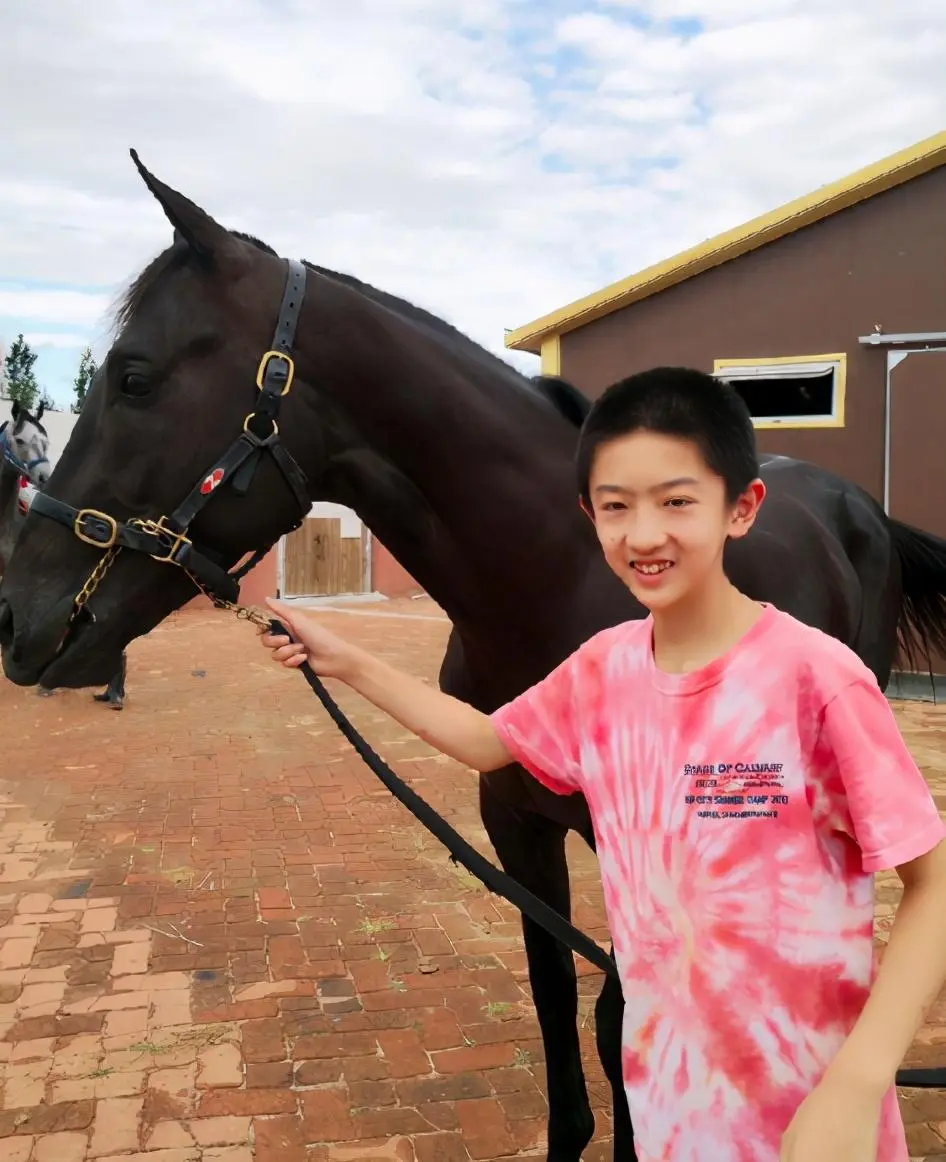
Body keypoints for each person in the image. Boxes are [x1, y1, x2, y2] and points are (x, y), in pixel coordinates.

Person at [259, 366, 946, 1162]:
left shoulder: (818, 680)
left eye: (676, 502)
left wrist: (858, 1085)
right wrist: (346, 659)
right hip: (666, 1107)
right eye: (617, 507)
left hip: (809, 1118)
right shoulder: (603, 668)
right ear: (589, 515)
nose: (644, 535)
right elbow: (490, 742)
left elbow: (932, 882)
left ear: (743, 508)